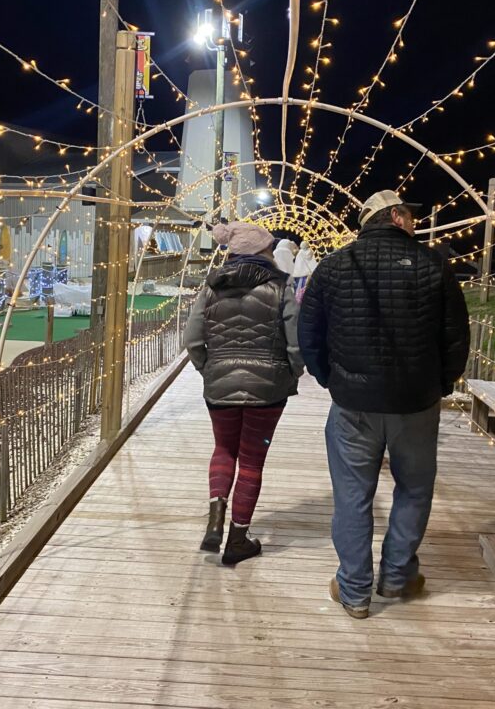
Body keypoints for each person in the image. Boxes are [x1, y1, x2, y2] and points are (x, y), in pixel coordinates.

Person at [297, 189, 470, 618]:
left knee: (352, 494)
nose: (414, 221)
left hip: (353, 403)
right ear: (394, 216)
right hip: (416, 401)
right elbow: (455, 336)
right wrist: (441, 383)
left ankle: (354, 591)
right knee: (414, 488)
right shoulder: (434, 266)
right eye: (410, 214)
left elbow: (309, 334)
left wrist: (329, 379)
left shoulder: (334, 266)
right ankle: (396, 577)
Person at [185, 221, 305, 565]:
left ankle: (215, 517)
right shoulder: (281, 286)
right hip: (268, 389)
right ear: (263, 251)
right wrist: (291, 373)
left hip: (219, 385)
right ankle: (238, 539)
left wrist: (209, 368)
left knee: (224, 449)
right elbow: (295, 342)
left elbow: (192, 339)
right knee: (252, 459)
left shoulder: (211, 287)